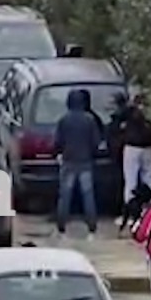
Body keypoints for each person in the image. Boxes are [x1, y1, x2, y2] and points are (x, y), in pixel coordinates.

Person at [53, 89, 103, 239]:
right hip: (85, 161)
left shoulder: (63, 120)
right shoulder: (89, 119)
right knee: (88, 196)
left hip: (68, 161)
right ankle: (92, 230)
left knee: (65, 196)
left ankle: (61, 229)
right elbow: (96, 142)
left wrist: (60, 152)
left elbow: (57, 142)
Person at [113, 92, 151, 231]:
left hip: (132, 147)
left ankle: (130, 212)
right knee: (149, 178)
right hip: (147, 147)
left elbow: (117, 120)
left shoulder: (130, 111)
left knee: (130, 180)